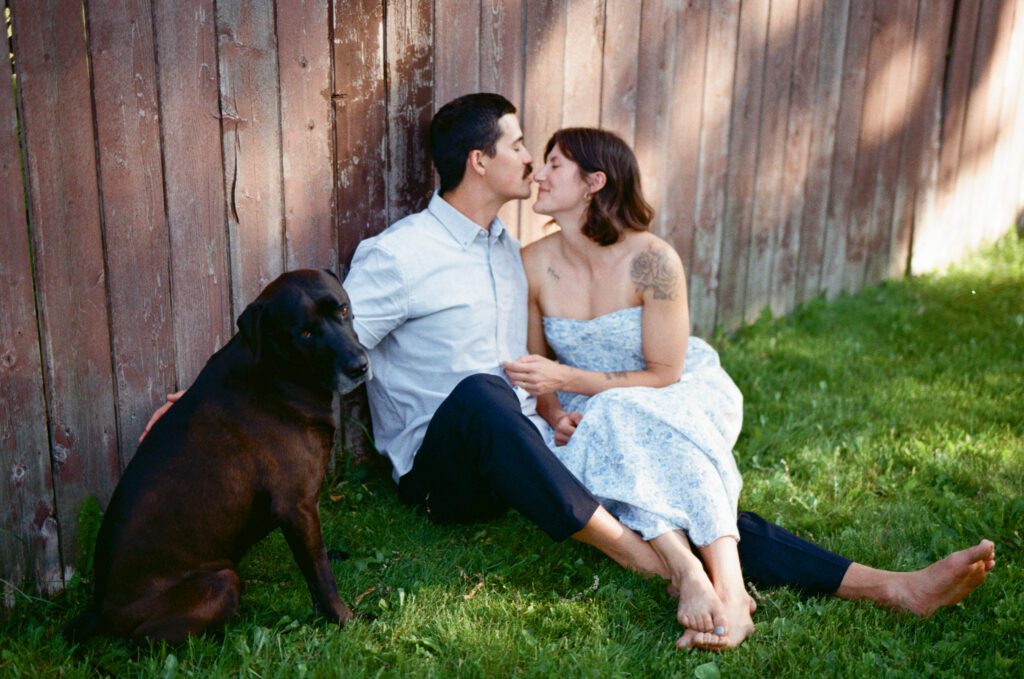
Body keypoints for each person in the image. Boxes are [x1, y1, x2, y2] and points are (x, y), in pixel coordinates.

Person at [142, 93, 995, 651]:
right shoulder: (400, 257)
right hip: (440, 473)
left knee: (669, 471)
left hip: (528, 436)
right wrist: (201, 398)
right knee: (481, 396)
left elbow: (547, 365)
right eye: (519, 145)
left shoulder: (515, 257)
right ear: (481, 162)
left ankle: (889, 587)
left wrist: (559, 411)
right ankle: (656, 565)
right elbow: (312, 328)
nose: (529, 158)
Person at [504, 127, 751, 646]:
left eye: (554, 165)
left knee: (624, 416)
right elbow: (535, 365)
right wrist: (552, 413)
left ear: (594, 182)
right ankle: (691, 574)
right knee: (614, 422)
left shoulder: (654, 260)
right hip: (582, 403)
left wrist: (570, 381)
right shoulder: (532, 263)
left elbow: (664, 373)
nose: (539, 174)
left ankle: (726, 582)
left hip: (673, 389)